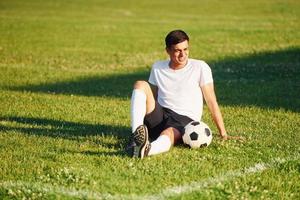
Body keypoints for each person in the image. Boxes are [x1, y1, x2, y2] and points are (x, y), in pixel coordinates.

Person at [128, 30, 238, 159]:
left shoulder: (200, 67)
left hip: (184, 120)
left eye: (186, 49)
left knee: (168, 133)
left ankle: (146, 150)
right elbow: (152, 97)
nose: (183, 54)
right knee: (140, 84)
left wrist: (223, 133)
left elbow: (211, 102)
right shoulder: (158, 67)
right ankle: (136, 137)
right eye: (177, 50)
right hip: (162, 114)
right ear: (168, 50)